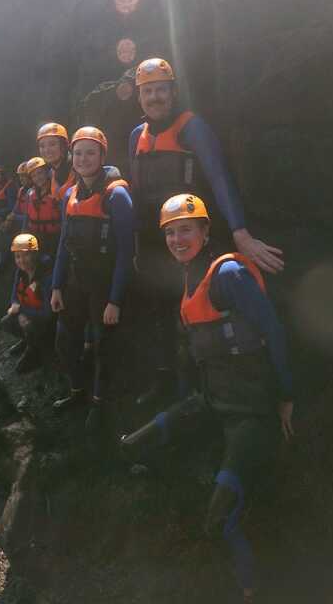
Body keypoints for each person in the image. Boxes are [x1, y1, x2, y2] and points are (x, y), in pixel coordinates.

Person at [120, 194, 294, 604]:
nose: (177, 239)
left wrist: (287, 397)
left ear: (204, 231)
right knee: (131, 448)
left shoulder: (228, 274)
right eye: (170, 232)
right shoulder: (188, 280)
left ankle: (253, 590)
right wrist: (185, 407)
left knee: (218, 522)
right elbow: (195, 358)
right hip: (211, 401)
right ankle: (195, 488)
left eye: (185, 229)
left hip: (251, 414)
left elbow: (275, 331)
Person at [128, 57, 285, 408]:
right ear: (140, 97)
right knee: (159, 316)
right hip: (157, 244)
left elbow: (219, 179)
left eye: (161, 90)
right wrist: (138, 249)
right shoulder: (137, 137)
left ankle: (201, 392)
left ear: (173, 91)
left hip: (193, 239)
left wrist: (240, 233)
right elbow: (138, 195)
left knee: (196, 316)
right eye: (148, 91)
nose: (155, 97)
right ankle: (166, 384)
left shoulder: (192, 128)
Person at [50, 126, 134, 432]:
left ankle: (99, 403)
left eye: (91, 152)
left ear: (102, 156)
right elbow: (63, 243)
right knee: (64, 340)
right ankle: (76, 391)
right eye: (78, 152)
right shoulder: (70, 194)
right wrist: (56, 285)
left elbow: (126, 252)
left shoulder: (117, 195)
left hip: (103, 284)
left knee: (103, 346)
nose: (83, 159)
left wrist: (114, 300)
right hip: (74, 280)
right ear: (71, 155)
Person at [1, 233, 55, 374]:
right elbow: (15, 295)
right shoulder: (21, 272)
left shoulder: (46, 276)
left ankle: (35, 352)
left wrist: (22, 312)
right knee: (6, 322)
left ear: (35, 254)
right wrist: (15, 305)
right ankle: (28, 341)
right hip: (29, 313)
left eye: (25, 255)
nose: (21, 261)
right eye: (17, 257)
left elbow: (48, 314)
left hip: (47, 322)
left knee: (29, 326)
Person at [22, 157, 62, 256]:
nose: (38, 178)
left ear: (46, 172)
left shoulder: (57, 192)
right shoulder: (29, 193)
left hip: (54, 238)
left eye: (40, 173)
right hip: (34, 237)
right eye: (34, 176)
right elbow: (26, 218)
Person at [37, 122, 76, 201]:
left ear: (64, 146)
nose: (47, 150)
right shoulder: (52, 173)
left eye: (52, 144)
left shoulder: (79, 169)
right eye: (42, 146)